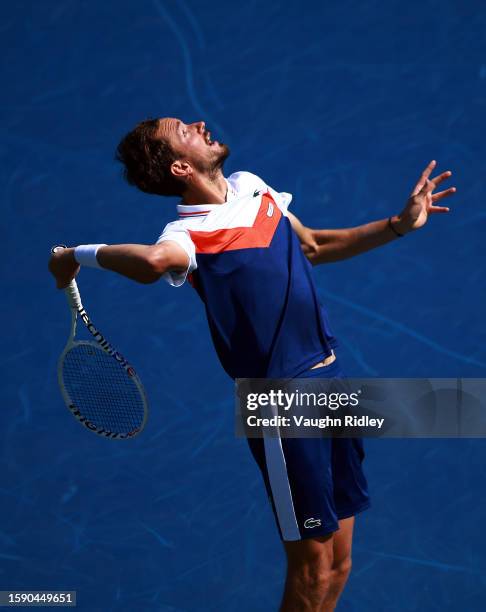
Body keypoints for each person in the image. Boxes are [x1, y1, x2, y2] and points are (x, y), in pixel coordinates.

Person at [48, 118, 456, 611]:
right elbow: (155, 262)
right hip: (282, 402)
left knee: (339, 563)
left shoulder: (252, 187)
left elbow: (314, 247)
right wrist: (76, 255)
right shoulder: (187, 234)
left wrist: (398, 225)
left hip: (332, 380)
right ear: (181, 166)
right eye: (184, 129)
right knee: (310, 567)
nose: (200, 124)